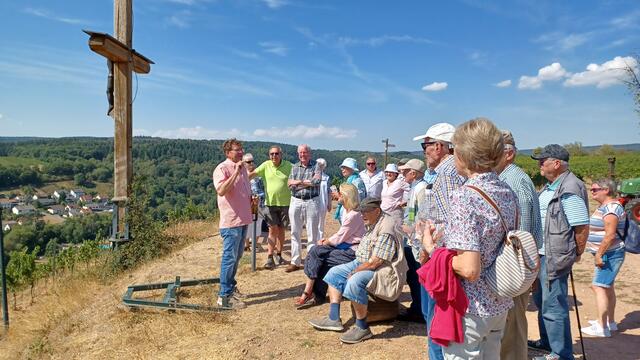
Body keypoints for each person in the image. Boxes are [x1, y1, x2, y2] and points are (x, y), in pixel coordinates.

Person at [421, 117, 517, 359]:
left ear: (462, 154)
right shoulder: (506, 191)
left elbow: (469, 268)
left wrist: (433, 250)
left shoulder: (464, 196)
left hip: (471, 306)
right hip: (499, 300)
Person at [308, 197, 401, 344]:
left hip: (382, 269)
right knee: (334, 273)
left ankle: (362, 327)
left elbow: (376, 262)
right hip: (363, 262)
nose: (362, 215)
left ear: (377, 211)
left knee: (354, 281)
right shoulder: (374, 220)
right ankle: (334, 318)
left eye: (365, 211)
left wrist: (356, 270)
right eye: (361, 211)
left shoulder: (386, 228)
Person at [529, 144, 590, 360]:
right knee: (542, 301)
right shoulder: (552, 185)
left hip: (554, 256)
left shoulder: (569, 187)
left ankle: (560, 354)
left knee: (553, 305)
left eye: (542, 161)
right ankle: (547, 343)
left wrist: (575, 253)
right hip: (543, 254)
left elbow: (581, 226)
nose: (539, 165)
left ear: (556, 163)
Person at [414, 122, 465, 360]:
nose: (424, 150)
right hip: (439, 257)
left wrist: (428, 248)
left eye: (426, 145)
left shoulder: (448, 174)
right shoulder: (448, 172)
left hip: (439, 258)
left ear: (440, 146)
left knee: (436, 320)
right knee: (432, 317)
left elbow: (449, 223)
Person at [495, 131, 543, 360]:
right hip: (515, 265)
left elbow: (519, 235)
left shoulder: (513, 181)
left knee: (512, 325)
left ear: (509, 154)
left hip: (514, 266)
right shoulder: (508, 178)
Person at [295, 183, 365, 309]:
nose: (337, 194)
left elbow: (340, 236)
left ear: (346, 196)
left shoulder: (353, 215)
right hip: (347, 247)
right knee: (317, 253)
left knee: (318, 254)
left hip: (352, 251)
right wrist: (326, 241)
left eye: (340, 193)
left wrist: (325, 241)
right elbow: (343, 235)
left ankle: (309, 291)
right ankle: (314, 292)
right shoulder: (350, 212)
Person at [581, 178, 627, 337]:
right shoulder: (607, 206)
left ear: (606, 190)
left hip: (610, 254)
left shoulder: (611, 209)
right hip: (610, 253)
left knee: (598, 286)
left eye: (595, 189)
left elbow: (610, 235)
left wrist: (599, 254)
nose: (592, 191)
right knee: (607, 286)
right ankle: (610, 322)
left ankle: (602, 327)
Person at [212, 138, 253, 309]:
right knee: (229, 258)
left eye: (241, 149)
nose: (241, 152)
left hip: (243, 219)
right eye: (237, 150)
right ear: (228, 152)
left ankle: (230, 288)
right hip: (231, 222)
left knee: (236, 257)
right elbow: (221, 191)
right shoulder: (222, 168)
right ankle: (224, 297)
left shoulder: (243, 168)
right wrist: (235, 173)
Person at [252, 145, 293, 270]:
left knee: (281, 229)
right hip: (270, 204)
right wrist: (238, 180)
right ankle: (270, 257)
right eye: (271, 154)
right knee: (272, 229)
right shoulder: (266, 165)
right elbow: (252, 174)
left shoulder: (289, 166)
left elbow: (298, 176)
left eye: (276, 154)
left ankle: (279, 254)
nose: (274, 156)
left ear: (281, 154)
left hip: (286, 203)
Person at [398, 159, 428, 323]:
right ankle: (417, 307)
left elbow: (423, 214)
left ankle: (420, 310)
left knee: (417, 275)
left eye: (405, 171)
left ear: (414, 173)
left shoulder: (421, 188)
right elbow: (412, 212)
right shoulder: (415, 188)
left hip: (416, 241)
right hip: (410, 239)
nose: (402, 174)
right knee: (412, 275)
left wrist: (413, 228)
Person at [287, 144, 322, 273]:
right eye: (301, 153)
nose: (303, 155)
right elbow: (290, 185)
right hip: (296, 201)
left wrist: (298, 182)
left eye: (305, 152)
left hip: (311, 201)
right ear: (298, 154)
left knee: (312, 233)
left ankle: (310, 262)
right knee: (295, 232)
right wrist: (306, 182)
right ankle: (295, 261)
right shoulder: (294, 167)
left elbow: (316, 182)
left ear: (310, 153)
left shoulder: (316, 166)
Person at [243, 153, 266, 251]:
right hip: (245, 205)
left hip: (258, 204)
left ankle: (255, 244)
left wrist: (258, 198)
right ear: (244, 163)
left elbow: (263, 190)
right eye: (248, 162)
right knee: (246, 224)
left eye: (252, 161)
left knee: (257, 224)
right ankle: (246, 245)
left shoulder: (259, 175)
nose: (251, 163)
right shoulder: (241, 175)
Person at [333, 157, 367, 223]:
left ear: (352, 169)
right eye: (342, 167)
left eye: (345, 167)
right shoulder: (351, 181)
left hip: (352, 217)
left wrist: (339, 197)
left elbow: (356, 201)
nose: (342, 169)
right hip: (349, 215)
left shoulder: (357, 182)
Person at [316, 158, 332, 240]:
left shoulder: (327, 178)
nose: (320, 166)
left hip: (323, 203)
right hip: (312, 203)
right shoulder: (311, 176)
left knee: (321, 223)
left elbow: (329, 191)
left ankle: (320, 240)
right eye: (318, 164)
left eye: (322, 165)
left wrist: (329, 203)